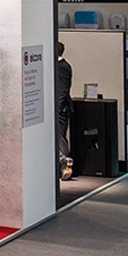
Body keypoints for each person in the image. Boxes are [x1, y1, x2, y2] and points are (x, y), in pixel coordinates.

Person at [56, 42, 75, 181]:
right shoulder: (63, 66)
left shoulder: (62, 67)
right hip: (60, 108)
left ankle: (64, 161)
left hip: (60, 109)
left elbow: (62, 90)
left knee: (60, 136)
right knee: (60, 135)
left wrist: (56, 109)